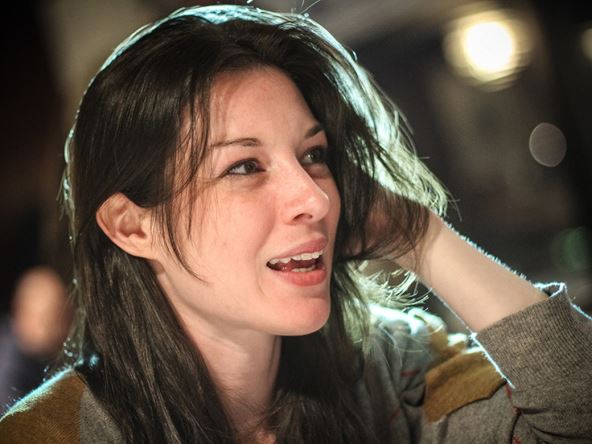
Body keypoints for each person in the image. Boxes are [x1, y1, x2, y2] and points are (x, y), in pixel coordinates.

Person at [1, 5, 590, 443]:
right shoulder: (51, 435)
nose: (314, 198)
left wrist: (418, 234)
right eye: (244, 166)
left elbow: (578, 412)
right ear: (133, 227)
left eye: (313, 154)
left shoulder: (389, 371)